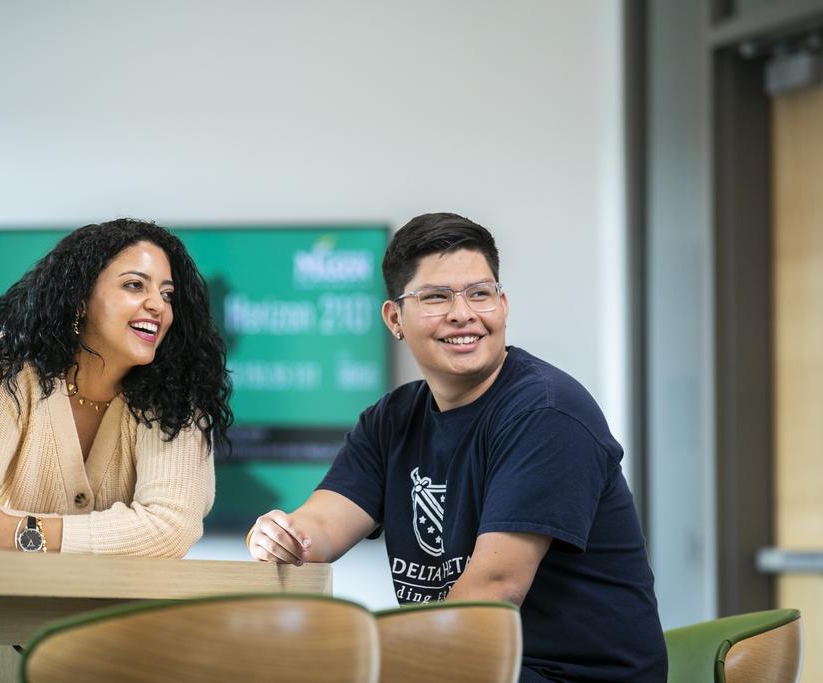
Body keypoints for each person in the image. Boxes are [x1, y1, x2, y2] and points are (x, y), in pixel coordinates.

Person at [247, 213, 667, 682]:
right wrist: (282, 537)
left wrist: (370, 659)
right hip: (473, 666)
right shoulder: (391, 420)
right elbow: (320, 527)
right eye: (436, 297)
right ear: (394, 319)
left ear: (503, 305)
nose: (463, 313)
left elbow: (493, 590)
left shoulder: (546, 413)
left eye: (480, 293)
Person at [0, 218, 231, 556]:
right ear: (81, 298)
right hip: (1, 603)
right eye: (134, 285)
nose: (158, 305)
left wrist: (19, 532)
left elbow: (170, 528)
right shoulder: (3, 365)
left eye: (167, 294)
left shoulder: (179, 388)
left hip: (126, 609)